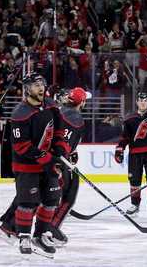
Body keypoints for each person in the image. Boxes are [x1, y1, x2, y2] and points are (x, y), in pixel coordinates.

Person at [8, 73, 68, 258]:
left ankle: (40, 235)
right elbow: (21, 146)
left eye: (42, 84)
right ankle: (24, 237)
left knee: (51, 199)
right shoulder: (20, 113)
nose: (41, 88)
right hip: (26, 167)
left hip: (46, 165)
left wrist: (60, 148)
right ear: (27, 89)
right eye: (35, 85)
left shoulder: (51, 105)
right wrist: (47, 158)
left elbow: (60, 130)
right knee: (27, 202)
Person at [49, 86, 90, 247]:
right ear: (82, 102)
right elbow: (66, 142)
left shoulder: (60, 110)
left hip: (47, 157)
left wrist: (71, 153)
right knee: (68, 194)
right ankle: (51, 228)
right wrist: (68, 154)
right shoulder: (76, 118)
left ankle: (42, 227)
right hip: (58, 160)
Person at [114, 91, 147, 216]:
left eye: (145, 100)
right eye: (140, 100)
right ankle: (135, 204)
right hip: (135, 154)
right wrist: (119, 148)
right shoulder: (129, 119)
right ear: (137, 102)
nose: (143, 102)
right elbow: (124, 137)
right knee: (134, 180)